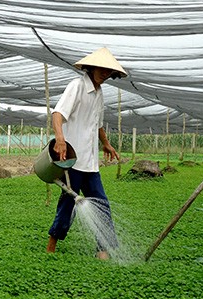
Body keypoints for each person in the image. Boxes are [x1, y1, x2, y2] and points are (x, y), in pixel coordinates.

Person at [46, 47, 128, 260]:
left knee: (101, 204)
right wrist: (60, 139)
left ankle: (102, 250)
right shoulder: (77, 86)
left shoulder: (99, 93)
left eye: (109, 71)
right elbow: (57, 114)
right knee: (67, 205)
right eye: (102, 69)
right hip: (72, 160)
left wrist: (106, 144)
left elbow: (97, 124)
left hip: (91, 164)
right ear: (92, 67)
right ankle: (51, 245)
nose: (105, 73)